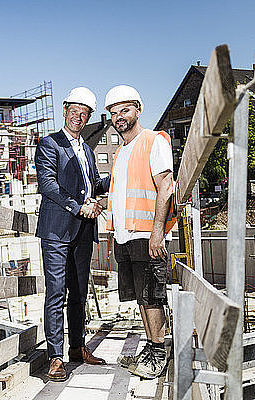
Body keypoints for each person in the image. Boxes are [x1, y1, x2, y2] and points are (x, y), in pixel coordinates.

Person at [35, 87, 110, 381]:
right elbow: (48, 185)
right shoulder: (49, 144)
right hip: (57, 230)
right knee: (56, 292)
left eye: (85, 113)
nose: (79, 117)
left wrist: (116, 177)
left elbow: (91, 185)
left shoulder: (88, 151)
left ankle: (77, 348)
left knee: (79, 291)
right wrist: (78, 207)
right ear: (65, 109)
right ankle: (55, 356)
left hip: (83, 230)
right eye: (74, 111)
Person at [103, 85, 176, 379]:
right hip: (125, 236)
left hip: (148, 235)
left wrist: (158, 232)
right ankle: (150, 347)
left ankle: (160, 353)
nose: (119, 116)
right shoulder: (120, 152)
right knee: (141, 297)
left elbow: (166, 186)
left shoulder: (153, 140)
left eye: (124, 110)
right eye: (113, 112)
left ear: (138, 109)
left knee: (153, 296)